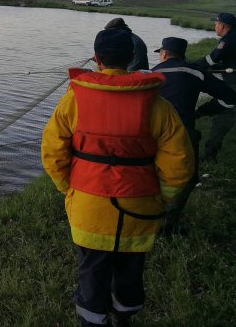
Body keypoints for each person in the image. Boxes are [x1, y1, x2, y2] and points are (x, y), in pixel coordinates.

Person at [42, 29, 193, 327]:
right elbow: (180, 163)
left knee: (91, 275)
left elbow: (52, 152)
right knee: (130, 273)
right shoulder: (159, 106)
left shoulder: (73, 100)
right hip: (141, 211)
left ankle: (92, 320)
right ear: (132, 58)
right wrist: (163, 199)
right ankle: (124, 318)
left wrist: (68, 190)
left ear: (97, 59)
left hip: (88, 210)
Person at [152, 37, 236, 231]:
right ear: (183, 55)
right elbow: (230, 98)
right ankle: (169, 224)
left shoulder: (152, 73)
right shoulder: (196, 72)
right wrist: (202, 112)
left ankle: (149, 216)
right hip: (184, 132)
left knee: (151, 174)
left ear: (164, 54)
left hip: (154, 133)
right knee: (188, 179)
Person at [192, 12, 236, 161]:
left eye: (216, 23)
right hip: (231, 83)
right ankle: (199, 113)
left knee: (223, 116)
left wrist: (189, 65)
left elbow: (211, 59)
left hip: (233, 86)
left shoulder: (227, 41)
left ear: (223, 26)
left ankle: (198, 114)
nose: (214, 26)